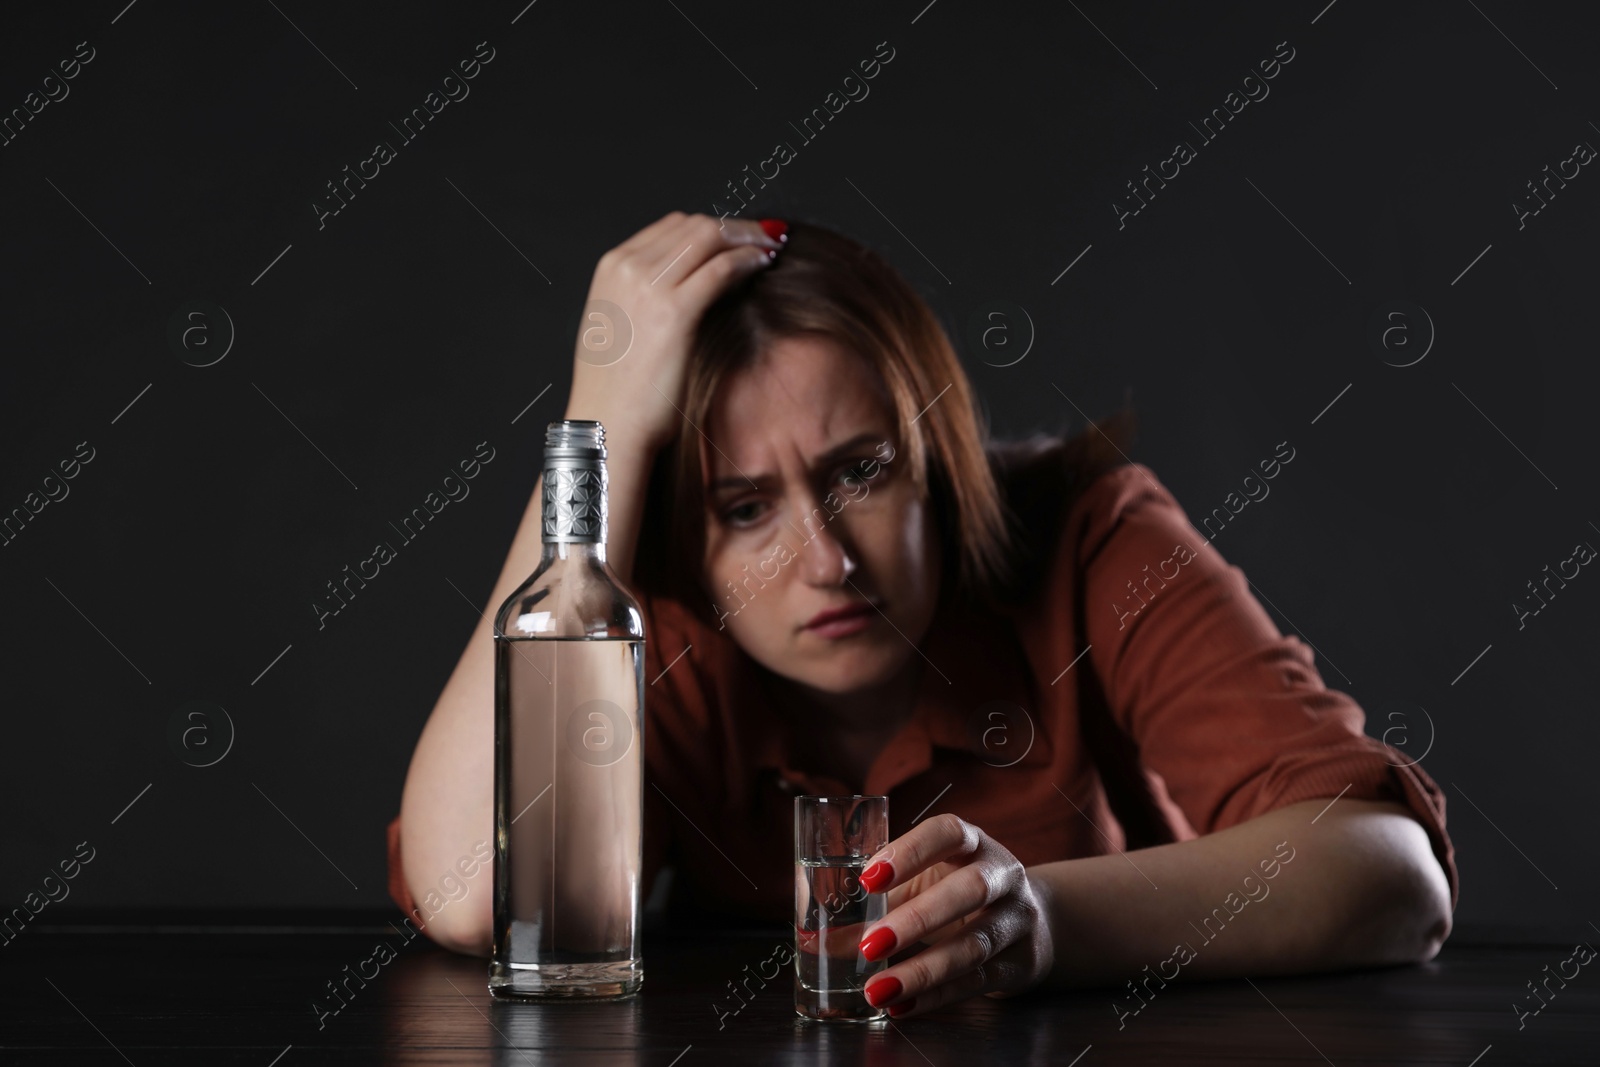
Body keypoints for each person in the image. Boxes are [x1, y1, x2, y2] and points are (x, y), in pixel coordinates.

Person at [387, 212, 1457, 1019]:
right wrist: (600, 418)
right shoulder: (652, 626)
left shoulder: (1088, 539)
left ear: (939, 464)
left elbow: (1389, 870)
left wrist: (1038, 918)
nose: (826, 559)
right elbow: (474, 892)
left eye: (862, 472)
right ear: (683, 540)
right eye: (744, 507)